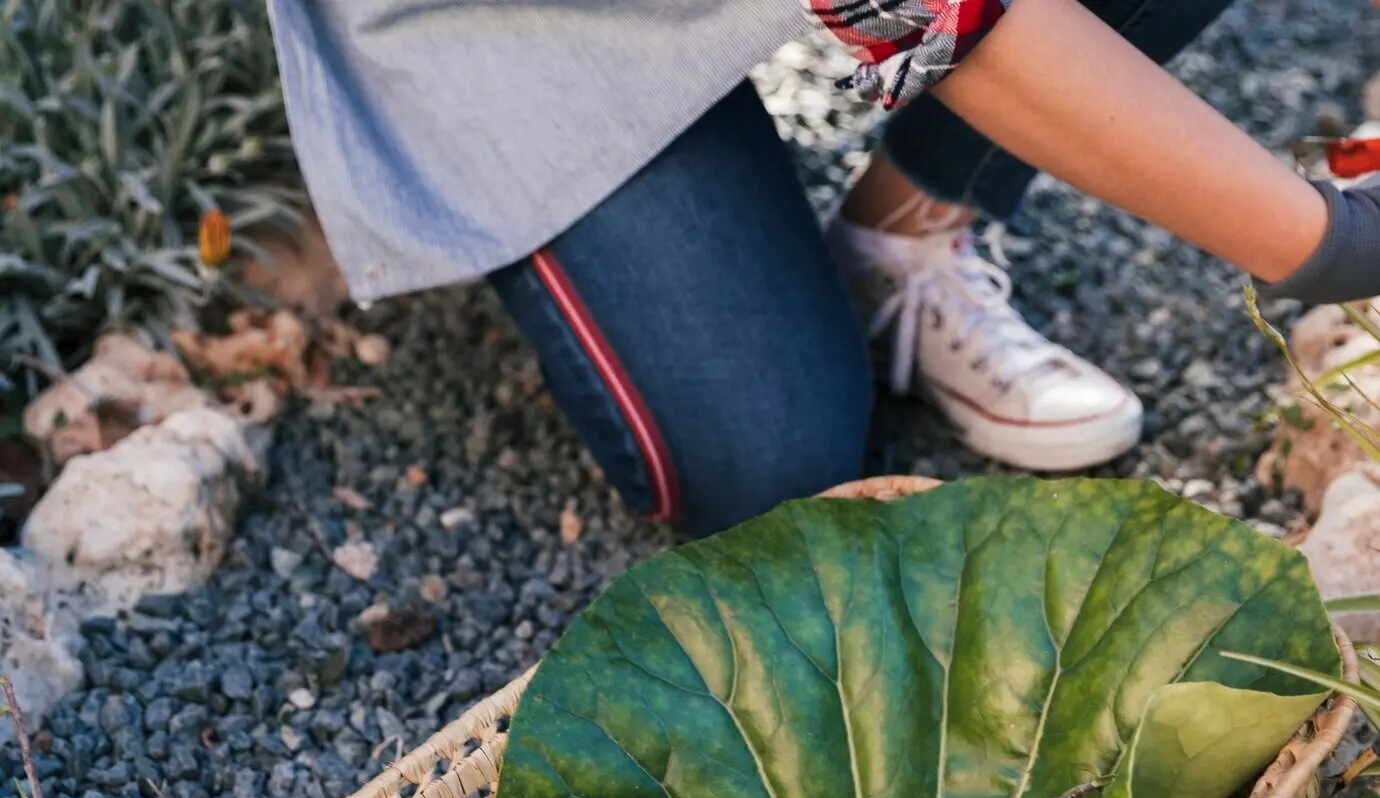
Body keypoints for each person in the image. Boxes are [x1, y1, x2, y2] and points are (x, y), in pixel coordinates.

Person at [267, 0, 1380, 537]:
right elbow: (925, 7)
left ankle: (903, 234)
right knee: (772, 464)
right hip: (533, 26)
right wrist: (1334, 244)